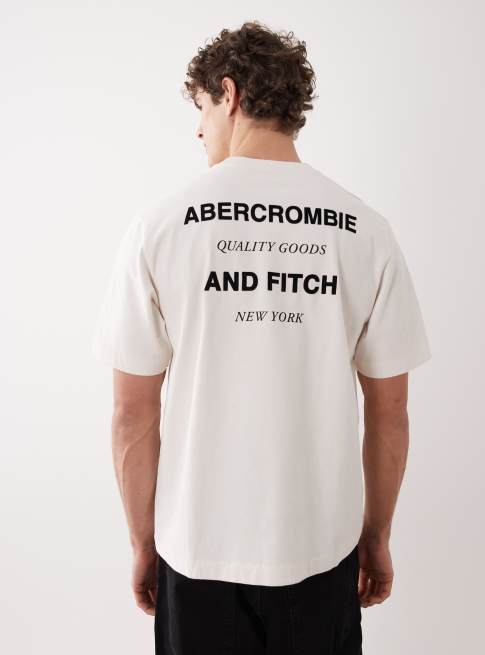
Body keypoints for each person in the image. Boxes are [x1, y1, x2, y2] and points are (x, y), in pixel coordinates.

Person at [91, 20, 431, 655]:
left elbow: (132, 414)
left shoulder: (159, 228)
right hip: (320, 551)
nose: (199, 130)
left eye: (201, 108)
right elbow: (390, 413)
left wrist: (143, 543)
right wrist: (376, 536)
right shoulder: (366, 231)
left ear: (230, 94)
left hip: (197, 551)